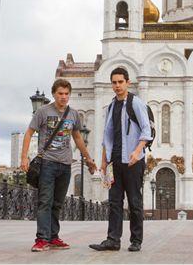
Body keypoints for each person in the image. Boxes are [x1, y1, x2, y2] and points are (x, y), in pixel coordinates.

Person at [21, 79, 96, 252]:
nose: (63, 97)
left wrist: (89, 158)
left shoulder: (73, 114)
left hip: (65, 164)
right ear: (54, 94)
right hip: (47, 162)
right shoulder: (43, 111)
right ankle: (41, 239)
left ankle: (53, 237)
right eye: (60, 93)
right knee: (45, 201)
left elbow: (77, 137)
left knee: (57, 203)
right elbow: (29, 133)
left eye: (66, 94)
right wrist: (24, 157)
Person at [89, 67, 152, 252]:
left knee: (134, 201)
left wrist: (137, 151)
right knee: (114, 201)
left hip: (133, 161)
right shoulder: (111, 106)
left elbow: (146, 130)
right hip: (115, 162)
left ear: (127, 83)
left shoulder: (136, 103)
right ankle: (113, 240)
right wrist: (103, 161)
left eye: (120, 82)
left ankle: (136, 240)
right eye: (114, 82)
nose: (117, 86)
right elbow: (107, 136)